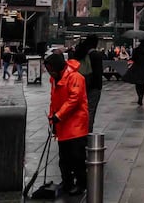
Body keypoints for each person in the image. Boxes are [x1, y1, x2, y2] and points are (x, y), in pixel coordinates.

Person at [45, 51, 89, 196]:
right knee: (64, 158)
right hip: (63, 123)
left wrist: (58, 116)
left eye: (51, 69)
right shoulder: (55, 79)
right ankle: (67, 182)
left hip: (76, 124)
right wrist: (52, 118)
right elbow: (54, 100)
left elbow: (74, 100)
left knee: (77, 157)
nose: (50, 73)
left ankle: (81, 184)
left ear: (58, 67)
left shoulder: (75, 77)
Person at [73, 35, 105, 128]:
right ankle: (87, 130)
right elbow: (98, 72)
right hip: (94, 86)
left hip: (80, 84)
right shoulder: (96, 55)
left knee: (80, 109)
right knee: (90, 109)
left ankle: (78, 128)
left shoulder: (80, 53)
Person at [124, 39, 144, 105]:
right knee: (143, 84)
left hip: (137, 67)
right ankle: (141, 96)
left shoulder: (136, 50)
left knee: (137, 83)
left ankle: (139, 95)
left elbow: (133, 58)